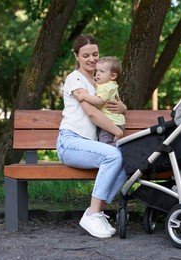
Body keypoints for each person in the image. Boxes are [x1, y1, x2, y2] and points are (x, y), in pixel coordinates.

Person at [56, 34, 128, 238]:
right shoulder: (75, 78)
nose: (92, 59)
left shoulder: (100, 79)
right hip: (70, 142)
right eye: (86, 55)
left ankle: (95, 212)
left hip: (90, 145)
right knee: (113, 155)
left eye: (95, 54)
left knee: (126, 162)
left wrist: (123, 107)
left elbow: (115, 105)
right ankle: (93, 214)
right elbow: (92, 113)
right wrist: (116, 131)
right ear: (77, 56)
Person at [80, 56, 125, 145]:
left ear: (113, 76)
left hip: (111, 123)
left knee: (106, 146)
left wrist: (84, 96)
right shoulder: (109, 84)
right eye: (97, 71)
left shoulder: (107, 87)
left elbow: (99, 101)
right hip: (113, 122)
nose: (98, 74)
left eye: (102, 71)